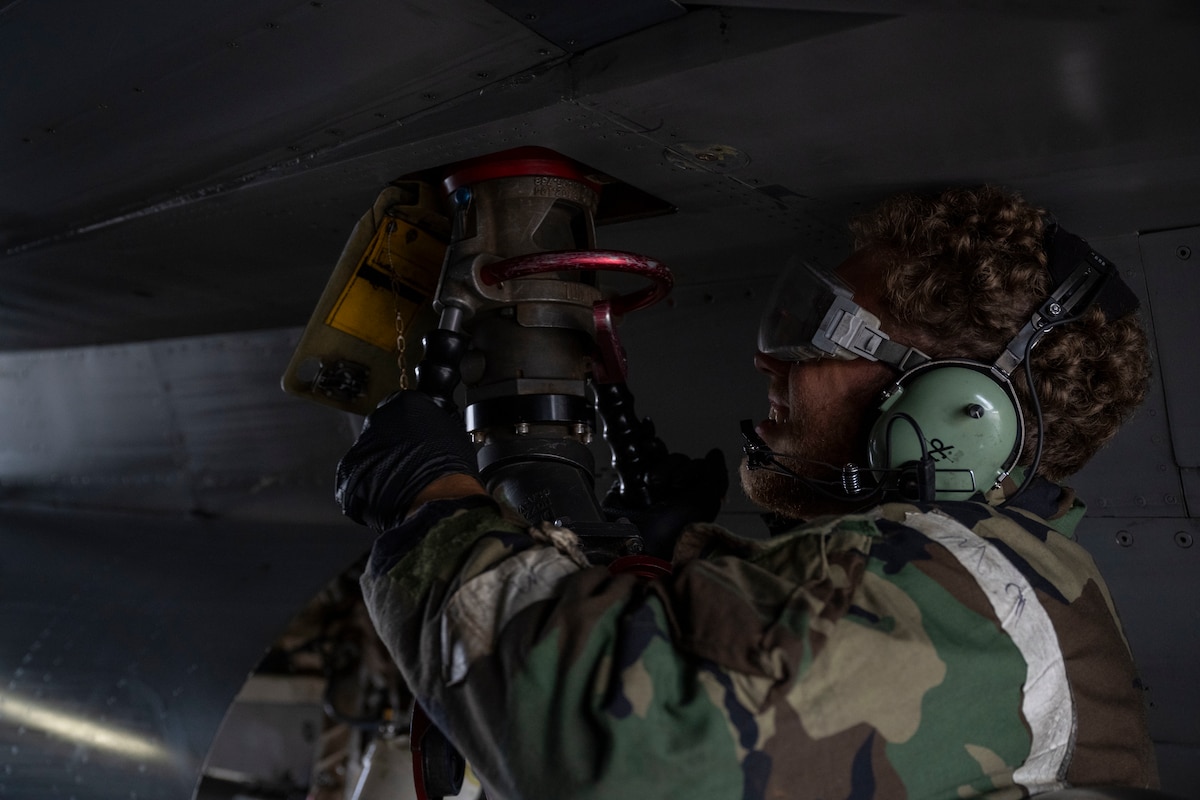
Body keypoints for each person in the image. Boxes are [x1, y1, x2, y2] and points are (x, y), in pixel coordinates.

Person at [336, 186, 1158, 799]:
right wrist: (680, 562)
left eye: (823, 331)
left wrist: (433, 505)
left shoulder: (976, 598)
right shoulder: (1001, 583)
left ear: (954, 410)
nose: (770, 359)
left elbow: (622, 760)